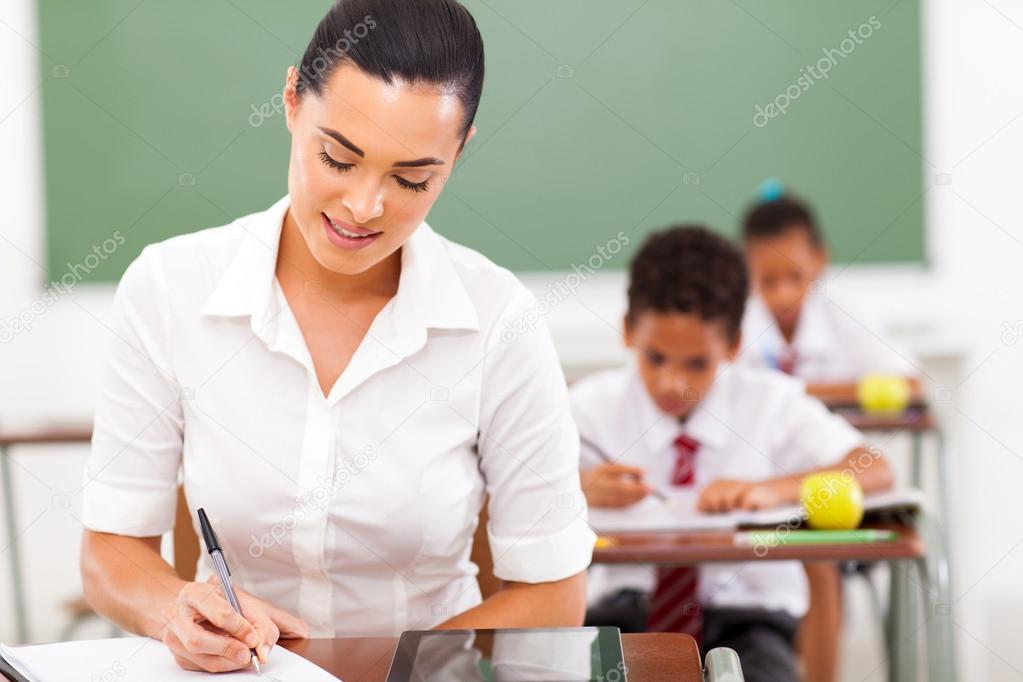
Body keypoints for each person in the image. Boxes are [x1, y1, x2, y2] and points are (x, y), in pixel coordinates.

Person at [79, 0, 594, 672]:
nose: (362, 207)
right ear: (291, 100)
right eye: (337, 157)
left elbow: (553, 594)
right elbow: (110, 551)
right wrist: (172, 605)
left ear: (459, 152)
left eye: (412, 178)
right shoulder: (169, 290)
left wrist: (395, 669)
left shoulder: (498, 321)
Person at [571, 226, 894, 682]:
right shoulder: (589, 408)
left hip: (749, 620)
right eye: (656, 358)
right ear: (627, 332)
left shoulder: (770, 402)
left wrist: (771, 490)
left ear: (734, 344)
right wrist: (578, 485)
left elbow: (874, 467)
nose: (671, 383)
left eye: (696, 363)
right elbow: (507, 491)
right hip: (624, 614)